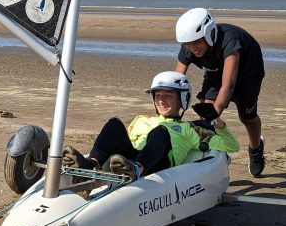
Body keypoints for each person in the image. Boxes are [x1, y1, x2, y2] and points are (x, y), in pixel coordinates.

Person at [62, 71, 239, 181]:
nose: (161, 100)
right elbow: (125, 144)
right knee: (114, 124)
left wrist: (216, 120)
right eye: (158, 95)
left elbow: (232, 146)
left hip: (158, 167)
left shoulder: (190, 129)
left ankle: (137, 169)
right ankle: (90, 166)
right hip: (129, 161)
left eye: (168, 95)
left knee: (160, 132)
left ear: (183, 99)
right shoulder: (141, 119)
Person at [173, 8, 266, 176]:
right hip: (216, 71)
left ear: (209, 33)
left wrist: (213, 115)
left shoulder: (230, 40)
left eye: (196, 42)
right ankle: (215, 152)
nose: (192, 48)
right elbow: (176, 81)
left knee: (247, 117)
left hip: (248, 73)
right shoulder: (188, 47)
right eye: (188, 43)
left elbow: (228, 86)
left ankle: (256, 148)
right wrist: (171, 111)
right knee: (205, 108)